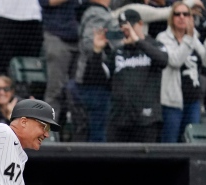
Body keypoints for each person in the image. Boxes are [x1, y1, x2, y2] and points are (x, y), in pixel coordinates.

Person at [89, 9, 168, 142]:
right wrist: (97, 51)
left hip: (146, 119)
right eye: (123, 27)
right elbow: (98, 77)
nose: (127, 30)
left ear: (140, 24)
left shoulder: (155, 45)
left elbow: (163, 61)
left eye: (131, 26)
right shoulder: (118, 51)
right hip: (119, 120)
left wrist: (138, 41)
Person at [156, 1, 206, 142]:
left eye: (186, 14)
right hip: (172, 101)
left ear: (191, 18)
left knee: (192, 144)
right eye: (178, 14)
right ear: (172, 18)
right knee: (170, 143)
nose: (182, 17)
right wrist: (188, 39)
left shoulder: (194, 36)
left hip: (193, 100)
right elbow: (174, 60)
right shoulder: (163, 38)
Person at [75, 0, 121, 142]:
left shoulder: (102, 12)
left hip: (98, 82)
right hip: (94, 81)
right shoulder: (96, 13)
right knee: (97, 132)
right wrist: (111, 47)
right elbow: (89, 43)